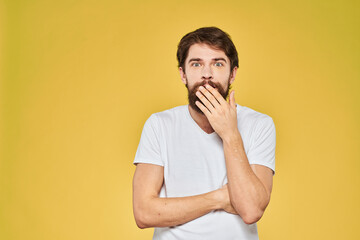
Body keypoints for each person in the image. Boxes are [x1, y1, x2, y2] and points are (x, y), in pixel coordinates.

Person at [132, 26, 276, 240]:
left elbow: (251, 210)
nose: (207, 74)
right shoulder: (159, 125)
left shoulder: (259, 124)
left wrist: (230, 134)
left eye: (218, 63)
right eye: (196, 64)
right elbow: (144, 213)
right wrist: (220, 198)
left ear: (232, 73)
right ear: (183, 74)